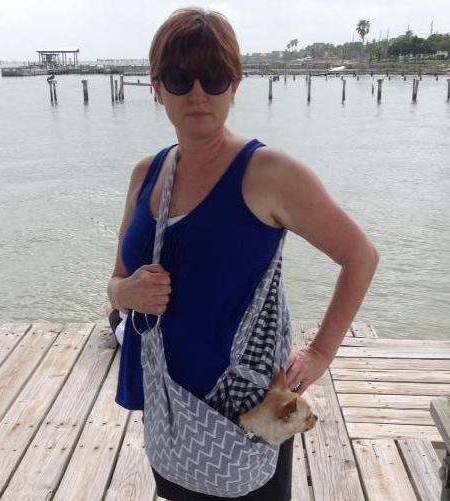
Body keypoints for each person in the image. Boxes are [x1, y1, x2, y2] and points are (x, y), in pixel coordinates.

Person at [107, 7, 379, 501]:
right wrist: (128, 293)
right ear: (157, 87)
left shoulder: (268, 173)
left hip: (246, 407)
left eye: (213, 77)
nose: (197, 92)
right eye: (180, 77)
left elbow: (360, 256)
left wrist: (320, 353)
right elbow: (116, 282)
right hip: (166, 403)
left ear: (235, 86)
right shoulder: (147, 174)